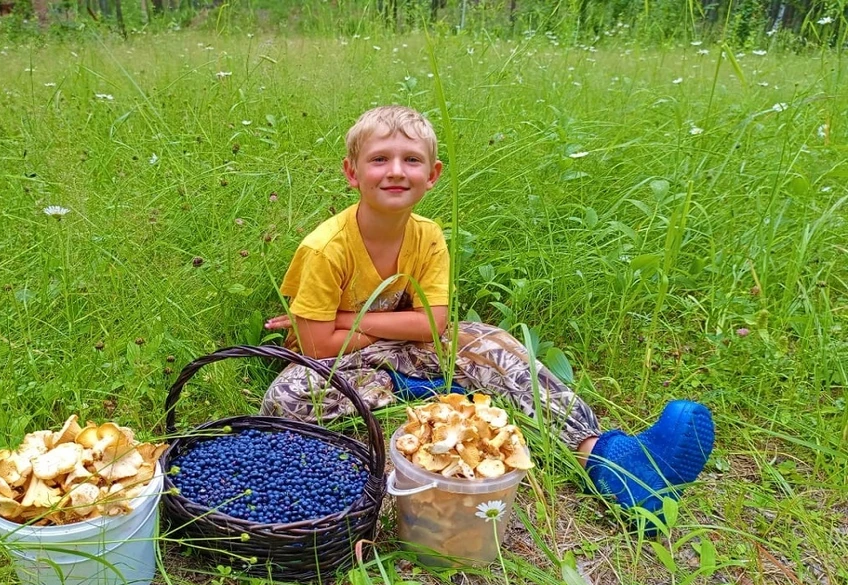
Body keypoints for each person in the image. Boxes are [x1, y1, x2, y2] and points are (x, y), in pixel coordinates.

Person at [261, 105, 714, 522]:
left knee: (491, 342)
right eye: (379, 159)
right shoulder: (327, 248)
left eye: (411, 160)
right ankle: (425, 395)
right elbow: (316, 345)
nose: (396, 171)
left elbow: (433, 324)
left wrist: (346, 321)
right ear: (352, 173)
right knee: (289, 397)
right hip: (336, 360)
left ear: (432, 174)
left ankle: (611, 460)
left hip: (395, 342)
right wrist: (347, 332)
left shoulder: (428, 235)